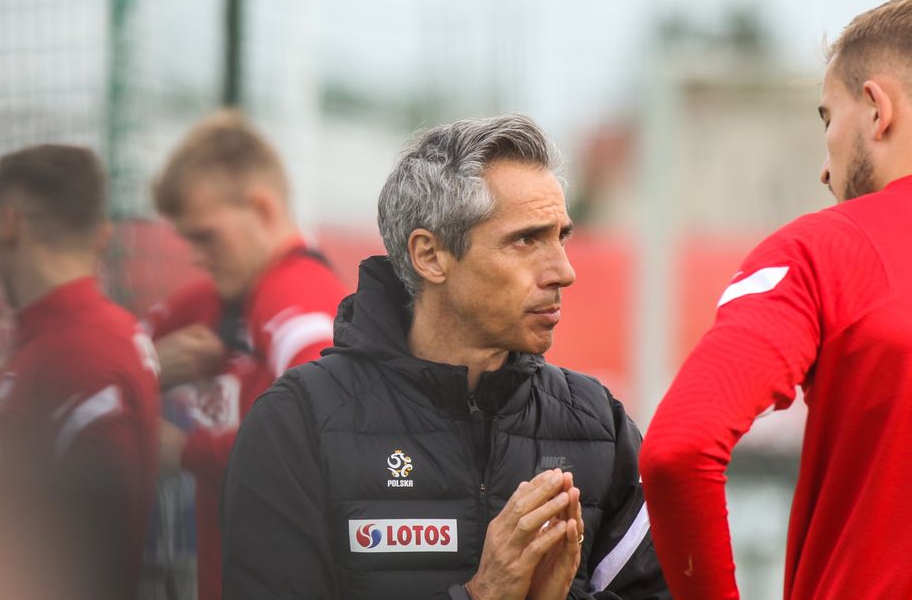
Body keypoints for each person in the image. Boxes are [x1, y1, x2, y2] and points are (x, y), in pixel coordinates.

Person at [639, 0, 912, 599]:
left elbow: (678, 450)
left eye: (827, 119)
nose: (826, 164)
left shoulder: (824, 248)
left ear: (876, 109)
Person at [221, 113, 669, 600]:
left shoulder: (598, 426)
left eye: (561, 236)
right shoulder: (298, 422)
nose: (564, 271)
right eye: (526, 240)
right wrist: (481, 595)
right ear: (430, 256)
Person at [148, 110, 348, 600]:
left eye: (205, 236)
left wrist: (182, 450)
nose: (196, 255)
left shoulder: (296, 291)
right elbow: (86, 373)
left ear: (260, 209)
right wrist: (147, 368)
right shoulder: (212, 301)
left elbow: (323, 423)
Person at [0, 144, 160, 600]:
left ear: (8, 223)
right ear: (102, 235)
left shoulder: (77, 353)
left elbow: (94, 554)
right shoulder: (74, 337)